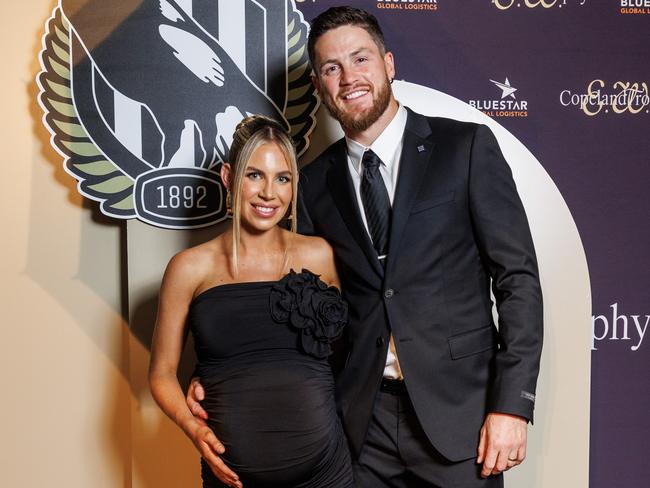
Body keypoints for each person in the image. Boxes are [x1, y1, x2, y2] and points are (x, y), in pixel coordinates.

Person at [188, 6, 544, 487]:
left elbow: (517, 279)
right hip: (359, 426)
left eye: (360, 59)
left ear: (389, 64)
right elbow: (293, 302)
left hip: (461, 419)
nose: (348, 77)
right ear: (318, 85)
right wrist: (217, 372)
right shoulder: (311, 184)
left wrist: (511, 405)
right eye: (331, 68)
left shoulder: (466, 148)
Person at [149, 115, 354, 488]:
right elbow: (161, 374)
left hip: (327, 474)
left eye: (283, 178)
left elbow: (346, 354)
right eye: (254, 175)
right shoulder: (188, 268)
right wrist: (193, 428)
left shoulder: (319, 255)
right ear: (229, 177)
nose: (268, 194)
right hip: (231, 478)